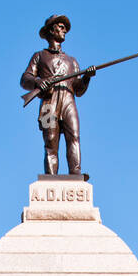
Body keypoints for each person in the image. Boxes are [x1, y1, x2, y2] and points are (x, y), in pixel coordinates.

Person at [20, 14, 95, 176]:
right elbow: (25, 79)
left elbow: (79, 89)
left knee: (74, 136)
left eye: (65, 27)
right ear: (51, 30)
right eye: (60, 27)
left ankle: (76, 173)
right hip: (49, 102)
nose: (64, 30)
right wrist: (38, 82)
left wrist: (87, 77)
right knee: (51, 143)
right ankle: (51, 177)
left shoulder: (72, 61)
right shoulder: (39, 56)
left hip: (68, 100)